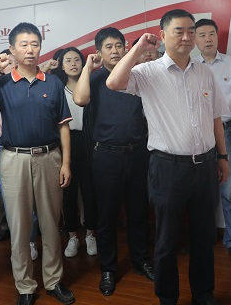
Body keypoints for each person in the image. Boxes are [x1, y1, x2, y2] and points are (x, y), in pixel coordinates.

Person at [107, 9, 230, 305]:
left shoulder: (204, 72)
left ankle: (203, 295)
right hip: (168, 168)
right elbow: (113, 82)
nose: (187, 37)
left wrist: (223, 156)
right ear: (162, 35)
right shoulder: (147, 72)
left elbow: (215, 117)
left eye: (191, 31)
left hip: (205, 165)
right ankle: (167, 298)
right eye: (179, 31)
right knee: (166, 240)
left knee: (204, 238)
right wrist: (138, 48)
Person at [0, 22, 75, 305]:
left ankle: (53, 280)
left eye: (35, 44)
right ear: (12, 49)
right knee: (18, 226)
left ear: (41, 47)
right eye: (24, 45)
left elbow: (63, 126)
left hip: (49, 158)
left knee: (51, 223)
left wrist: (66, 163)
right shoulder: (3, 83)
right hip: (13, 159)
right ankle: (25, 286)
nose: (30, 50)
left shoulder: (53, 83)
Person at [73, 28, 154, 296]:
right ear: (99, 52)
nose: (115, 50)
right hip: (106, 155)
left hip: (138, 153)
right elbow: (80, 99)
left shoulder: (137, 76)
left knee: (139, 211)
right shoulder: (95, 79)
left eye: (119, 45)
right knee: (106, 215)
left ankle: (141, 260)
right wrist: (88, 67)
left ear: (126, 47)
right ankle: (108, 268)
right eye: (108, 47)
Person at [194, 18, 231, 261]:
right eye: (202, 35)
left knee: (229, 189)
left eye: (211, 34)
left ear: (217, 37)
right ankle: (204, 237)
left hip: (228, 131)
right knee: (202, 190)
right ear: (194, 39)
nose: (208, 39)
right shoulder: (190, 66)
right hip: (200, 135)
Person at [0, 51, 41, 261]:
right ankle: (16, 239)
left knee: (29, 196)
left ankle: (30, 241)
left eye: (11, 61)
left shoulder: (25, 84)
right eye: (4, 62)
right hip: (1, 143)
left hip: (25, 142)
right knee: (8, 195)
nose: (8, 64)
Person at [53, 47, 97, 258]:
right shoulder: (57, 89)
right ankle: (72, 235)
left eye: (77, 59)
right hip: (64, 143)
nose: (73, 63)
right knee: (68, 193)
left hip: (88, 142)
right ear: (61, 66)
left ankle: (90, 234)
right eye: (68, 60)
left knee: (90, 191)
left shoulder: (90, 85)